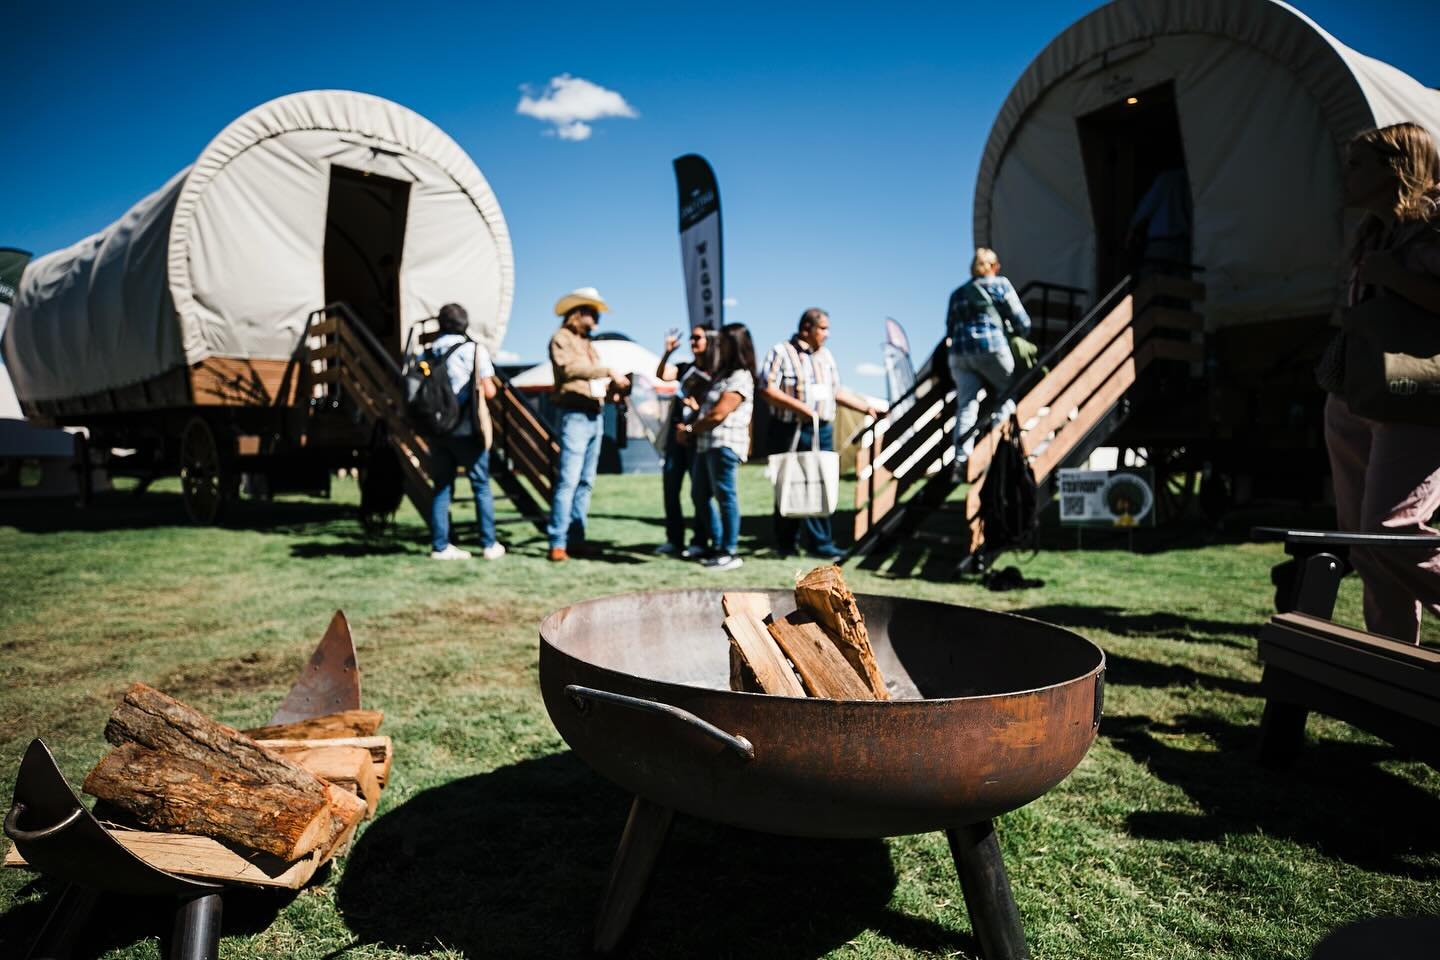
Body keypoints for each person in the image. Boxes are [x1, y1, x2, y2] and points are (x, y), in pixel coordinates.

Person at [1321, 122, 1440, 643]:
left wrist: (1394, 279)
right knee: (1364, 544)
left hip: (1414, 398)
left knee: (1389, 533)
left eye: (1356, 164)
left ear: (1396, 168)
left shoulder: (1435, 225)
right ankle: (1394, 667)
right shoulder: (1371, 230)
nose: (1344, 175)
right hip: (1356, 391)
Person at [758, 309, 879, 559]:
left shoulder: (826, 357)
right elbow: (766, 389)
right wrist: (799, 407)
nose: (827, 334)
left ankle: (820, 544)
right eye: (823, 328)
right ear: (806, 328)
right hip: (789, 428)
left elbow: (835, 391)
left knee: (820, 480)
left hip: (821, 429)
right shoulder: (781, 352)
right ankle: (786, 543)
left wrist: (865, 407)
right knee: (790, 481)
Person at [546, 287, 630, 562]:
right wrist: (608, 372)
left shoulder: (589, 344)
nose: (596, 319)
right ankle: (558, 542)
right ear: (578, 313)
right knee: (568, 481)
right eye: (592, 313)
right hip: (575, 415)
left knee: (585, 482)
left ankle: (576, 539)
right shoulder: (561, 339)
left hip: (594, 414)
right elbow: (569, 370)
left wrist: (613, 387)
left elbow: (589, 378)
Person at [427, 303, 504, 561]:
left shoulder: (428, 352)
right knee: (480, 485)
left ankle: (440, 546)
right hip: (466, 427)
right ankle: (489, 543)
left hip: (437, 428)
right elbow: (489, 390)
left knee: (441, 488)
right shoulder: (473, 350)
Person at [945, 247, 1032, 476]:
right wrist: (1017, 336)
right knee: (1007, 394)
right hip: (991, 349)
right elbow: (1023, 321)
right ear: (994, 267)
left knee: (966, 406)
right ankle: (993, 456)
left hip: (960, 355)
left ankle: (961, 461)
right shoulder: (1000, 284)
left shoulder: (958, 293)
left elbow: (950, 328)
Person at [677, 323, 755, 571]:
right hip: (706, 444)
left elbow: (718, 414)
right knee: (699, 495)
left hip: (724, 444)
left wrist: (690, 429)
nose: (716, 346)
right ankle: (715, 543)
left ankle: (728, 550)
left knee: (725, 496)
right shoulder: (722, 375)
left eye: (722, 342)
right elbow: (709, 410)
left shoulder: (740, 376)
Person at [655, 325, 710, 557]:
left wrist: (696, 411)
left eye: (699, 338)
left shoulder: (713, 370)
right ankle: (674, 539)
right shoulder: (685, 368)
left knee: (699, 491)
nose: (694, 342)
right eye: (692, 338)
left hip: (697, 436)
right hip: (676, 437)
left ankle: (700, 540)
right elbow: (661, 375)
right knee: (670, 486)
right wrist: (668, 352)